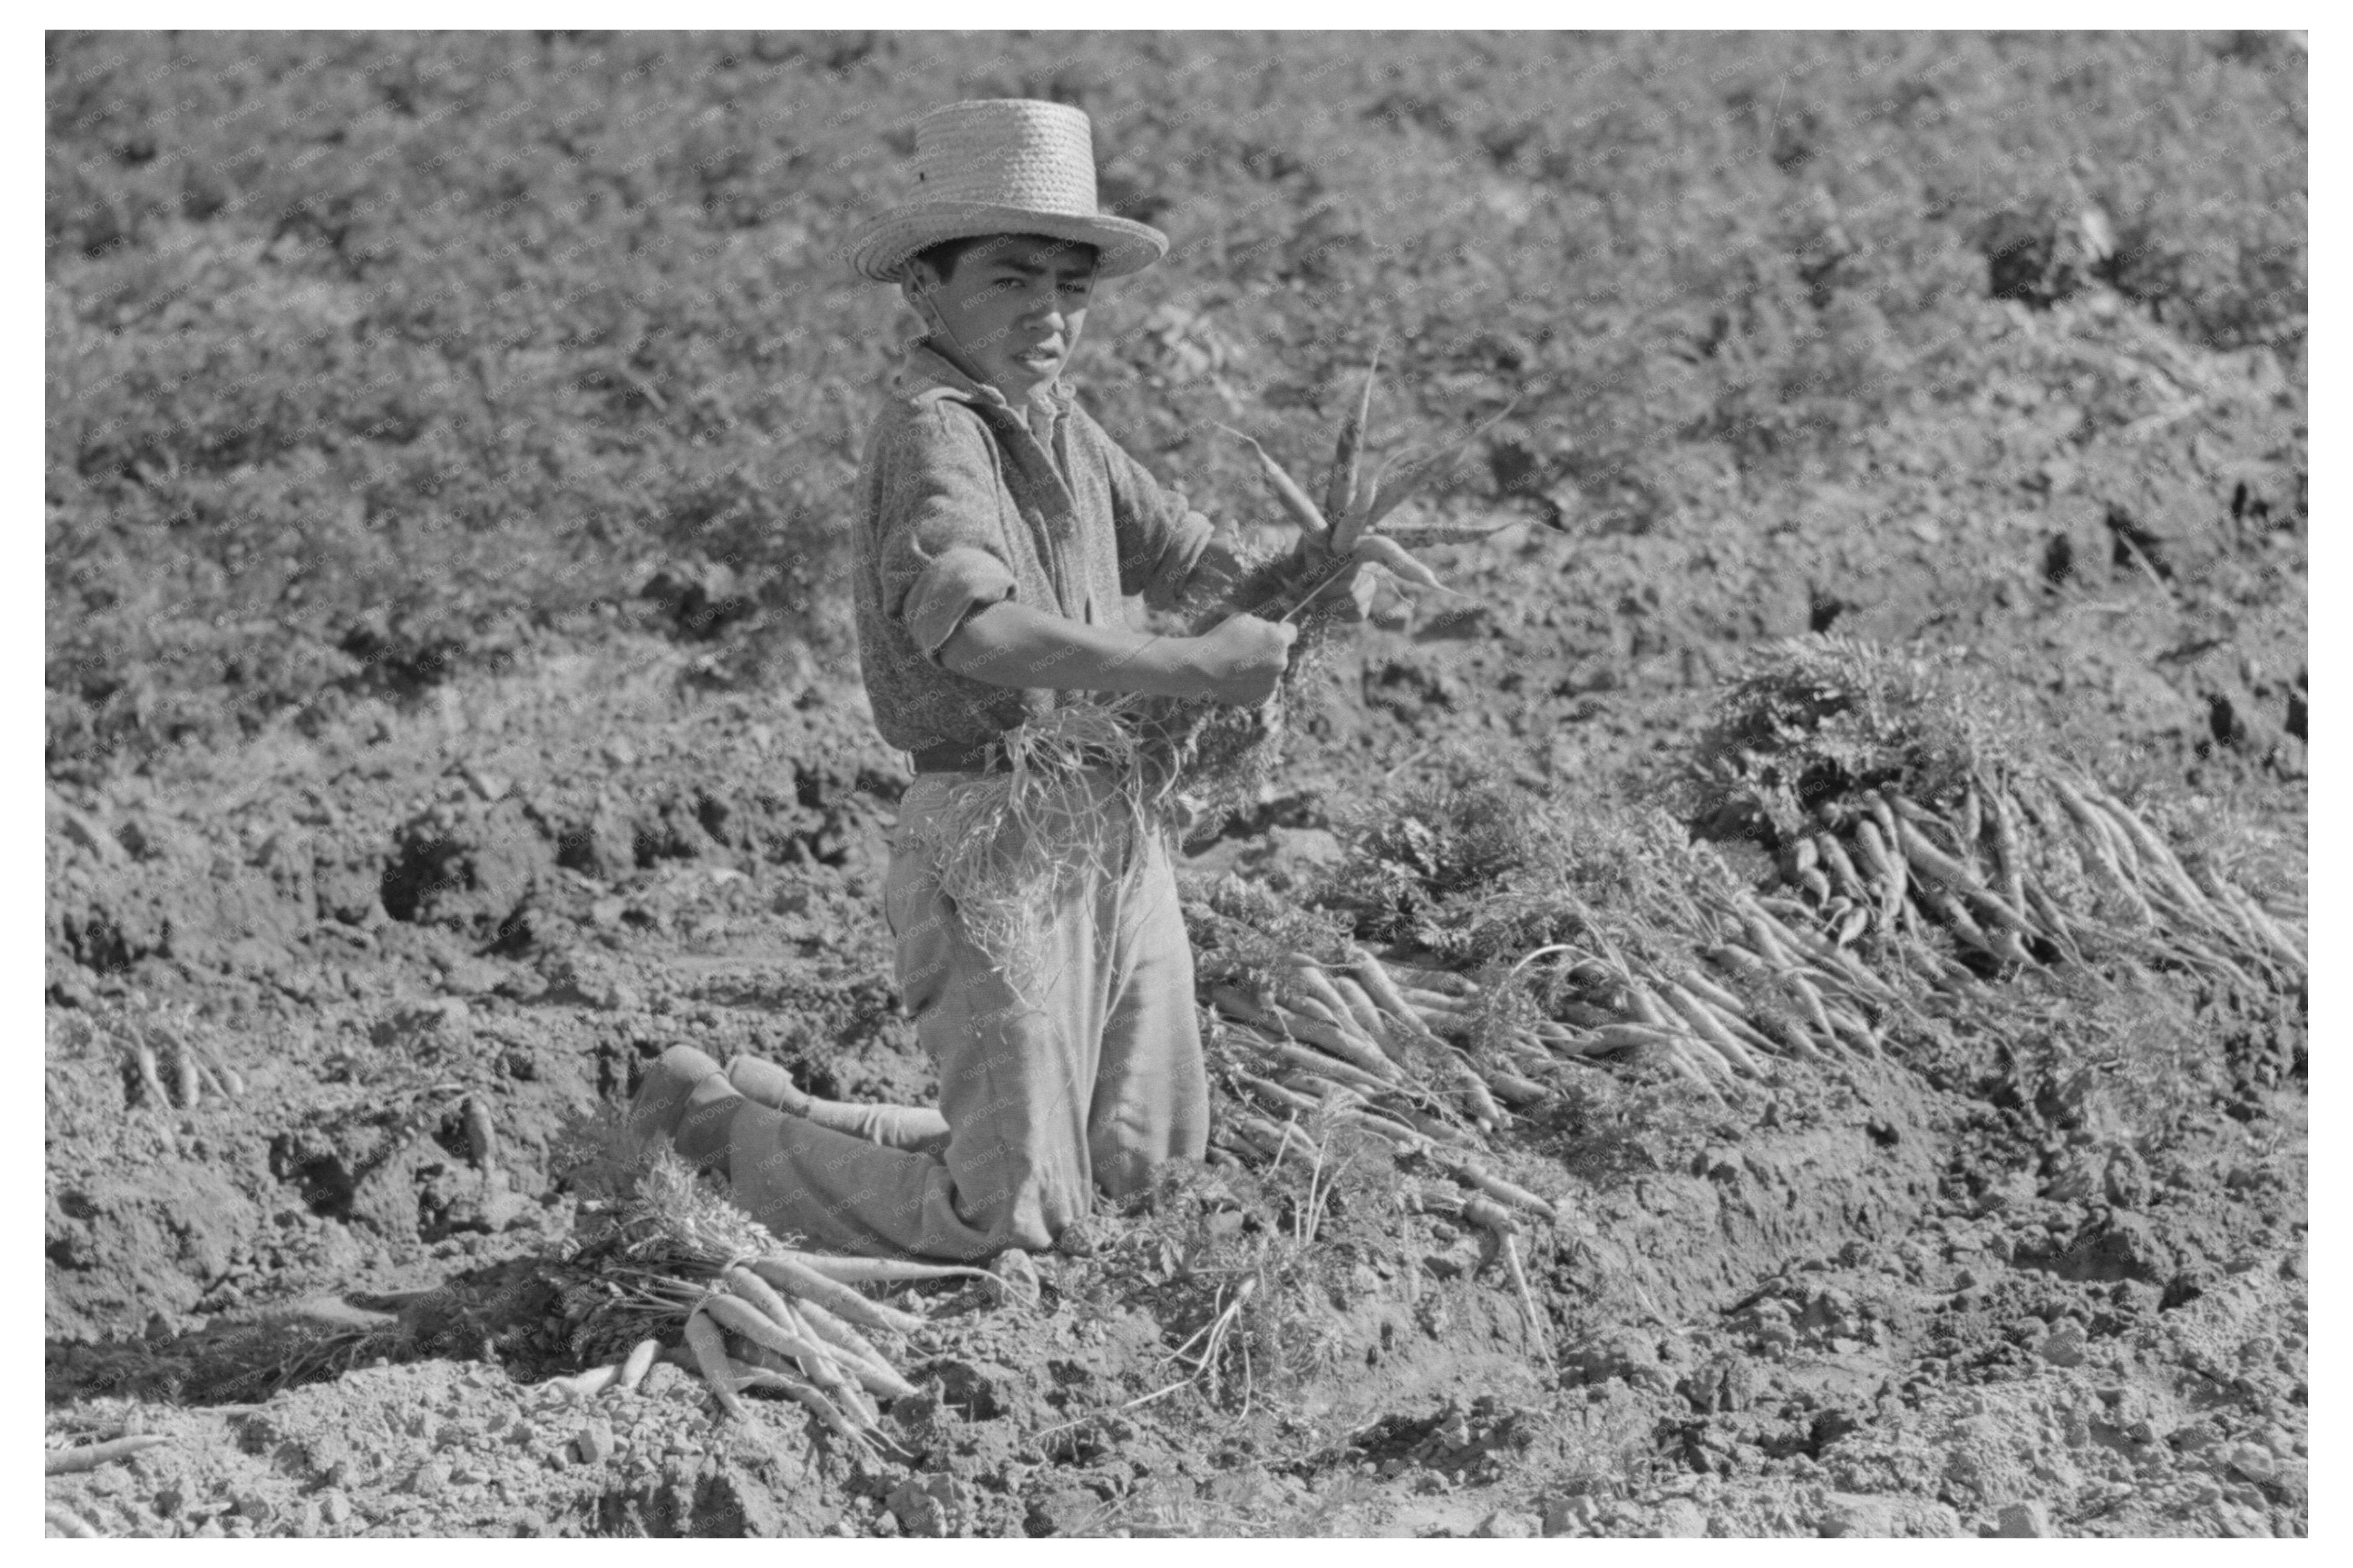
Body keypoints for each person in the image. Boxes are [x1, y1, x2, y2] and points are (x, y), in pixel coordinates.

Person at [627, 98, 1369, 1261]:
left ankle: (791, 1113)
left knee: (1142, 1173)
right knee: (1013, 1218)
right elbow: (972, 630)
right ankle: (719, 1132)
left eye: (1072, 286)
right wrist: (1190, 669)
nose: (1054, 315)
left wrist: (1314, 577)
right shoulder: (938, 430)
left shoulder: (1059, 422)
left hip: (1105, 822)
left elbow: (1189, 552)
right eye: (1015, 281)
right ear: (927, 286)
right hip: (992, 834)